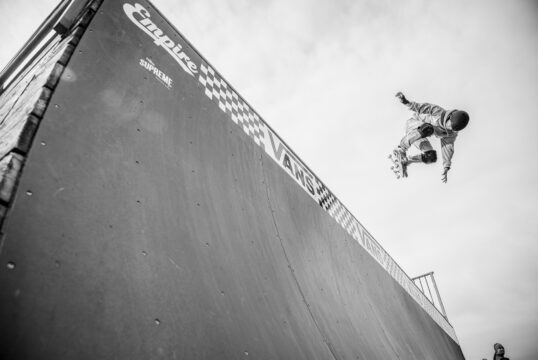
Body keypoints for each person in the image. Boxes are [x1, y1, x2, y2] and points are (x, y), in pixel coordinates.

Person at [393, 91, 469, 183]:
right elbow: (419, 107)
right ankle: (401, 149)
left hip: (419, 136)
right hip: (413, 125)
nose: (449, 128)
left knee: (431, 157)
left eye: (452, 129)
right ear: (450, 118)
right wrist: (405, 101)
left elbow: (448, 147)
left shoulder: (451, 133)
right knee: (428, 128)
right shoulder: (437, 111)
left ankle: (406, 161)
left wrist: (446, 167)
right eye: (449, 125)